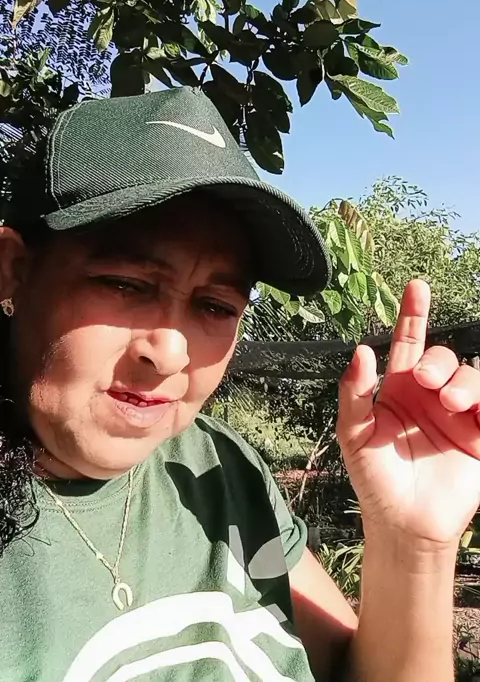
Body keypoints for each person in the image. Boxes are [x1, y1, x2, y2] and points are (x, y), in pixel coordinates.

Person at [0, 86, 478, 682]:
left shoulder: (216, 466)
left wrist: (413, 547)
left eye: (215, 306)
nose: (171, 353)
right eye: (124, 284)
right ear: (13, 270)